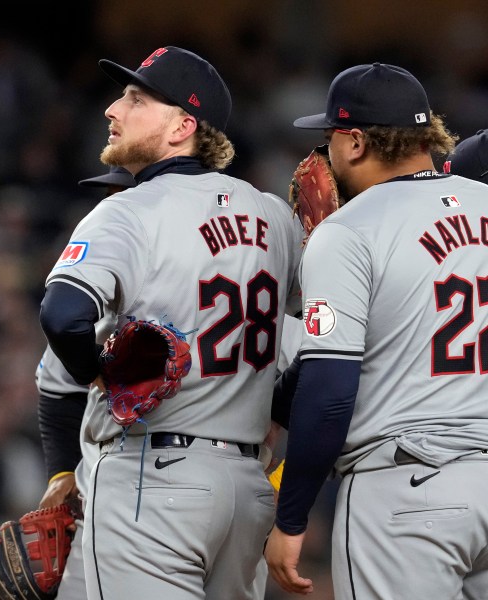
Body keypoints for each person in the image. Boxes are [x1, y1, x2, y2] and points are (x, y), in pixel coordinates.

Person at [39, 45, 303, 600]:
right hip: (248, 489)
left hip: (151, 478)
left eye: (136, 99)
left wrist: (100, 378)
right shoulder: (275, 214)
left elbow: (63, 316)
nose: (113, 108)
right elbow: (321, 345)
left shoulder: (129, 210)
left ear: (184, 125)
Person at [265, 62, 488, 599]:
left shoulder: (348, 232)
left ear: (357, 141)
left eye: (329, 138)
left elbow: (330, 392)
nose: (323, 155)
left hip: (408, 494)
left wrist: (292, 517)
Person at [36, 166, 136, 600]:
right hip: (112, 489)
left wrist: (281, 481)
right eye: (110, 195)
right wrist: (62, 473)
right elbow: (56, 390)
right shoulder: (98, 312)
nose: (110, 206)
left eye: (122, 195)